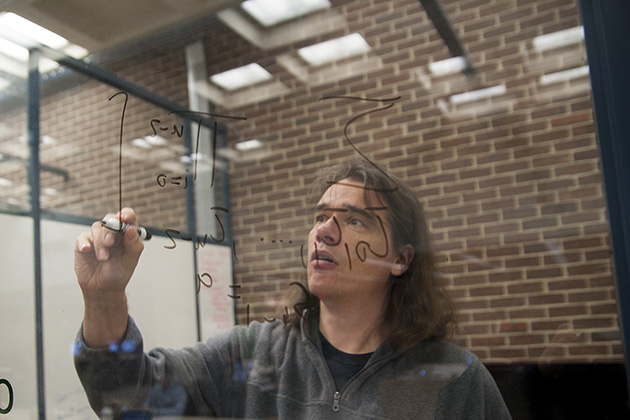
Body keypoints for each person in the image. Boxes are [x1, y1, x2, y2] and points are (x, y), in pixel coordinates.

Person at [74, 159, 512, 419]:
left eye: (354, 220)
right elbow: (129, 394)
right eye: (321, 216)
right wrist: (104, 297)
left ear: (401, 259)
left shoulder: (455, 379)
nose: (325, 231)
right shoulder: (255, 353)